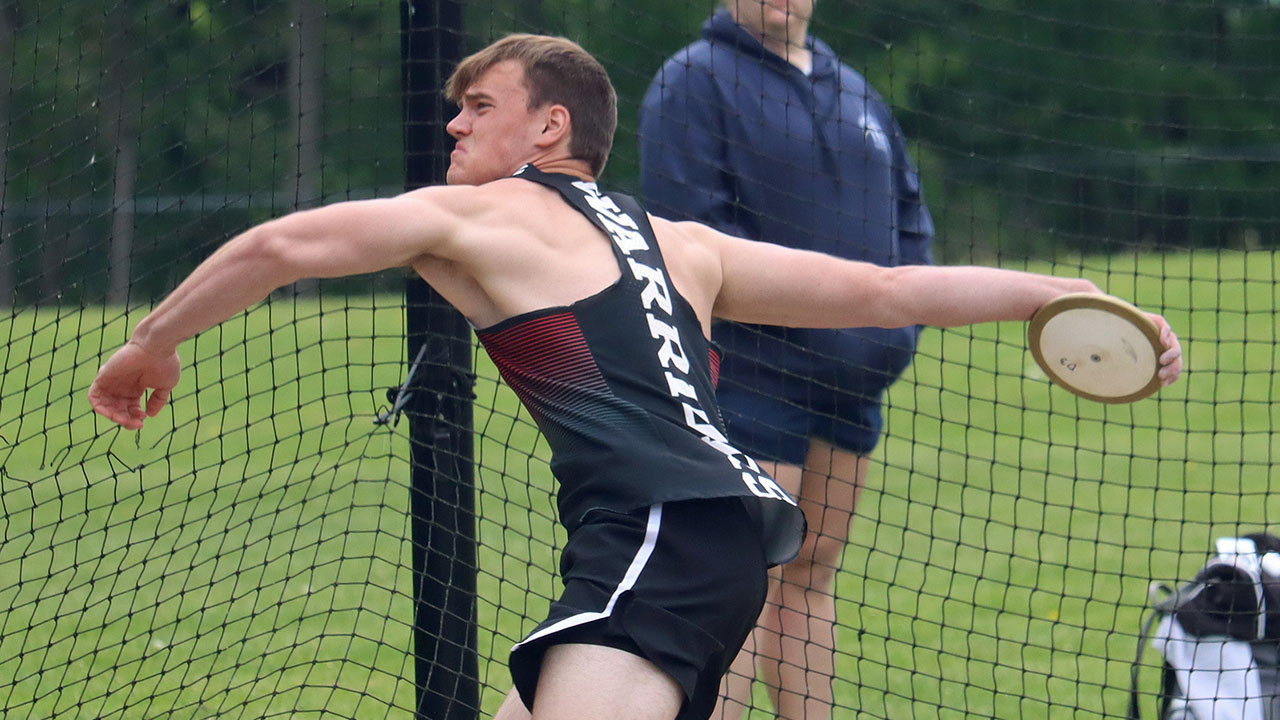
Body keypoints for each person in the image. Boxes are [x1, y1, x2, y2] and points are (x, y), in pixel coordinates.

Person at [88, 33, 1183, 720]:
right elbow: (885, 289)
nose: (452, 121)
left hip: (662, 537)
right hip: (699, 541)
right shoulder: (682, 242)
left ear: (548, 127)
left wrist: (154, 342)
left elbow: (280, 246)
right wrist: (1060, 292)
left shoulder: (482, 216)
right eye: (453, 104)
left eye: (478, 105)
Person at [638, 2, 933, 717]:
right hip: (750, 381)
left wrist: (893, 337)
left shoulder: (855, 88)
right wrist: (816, 329)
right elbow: (692, 238)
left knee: (812, 571)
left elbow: (910, 225)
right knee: (743, 579)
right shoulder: (693, 82)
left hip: (854, 386)